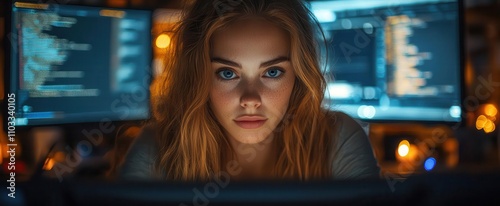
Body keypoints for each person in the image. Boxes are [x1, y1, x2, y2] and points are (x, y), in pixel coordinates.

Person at [119, 0, 379, 181]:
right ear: (199, 78)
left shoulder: (338, 140)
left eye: (273, 72)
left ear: (298, 77)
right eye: (228, 73)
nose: (251, 99)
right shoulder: (158, 148)